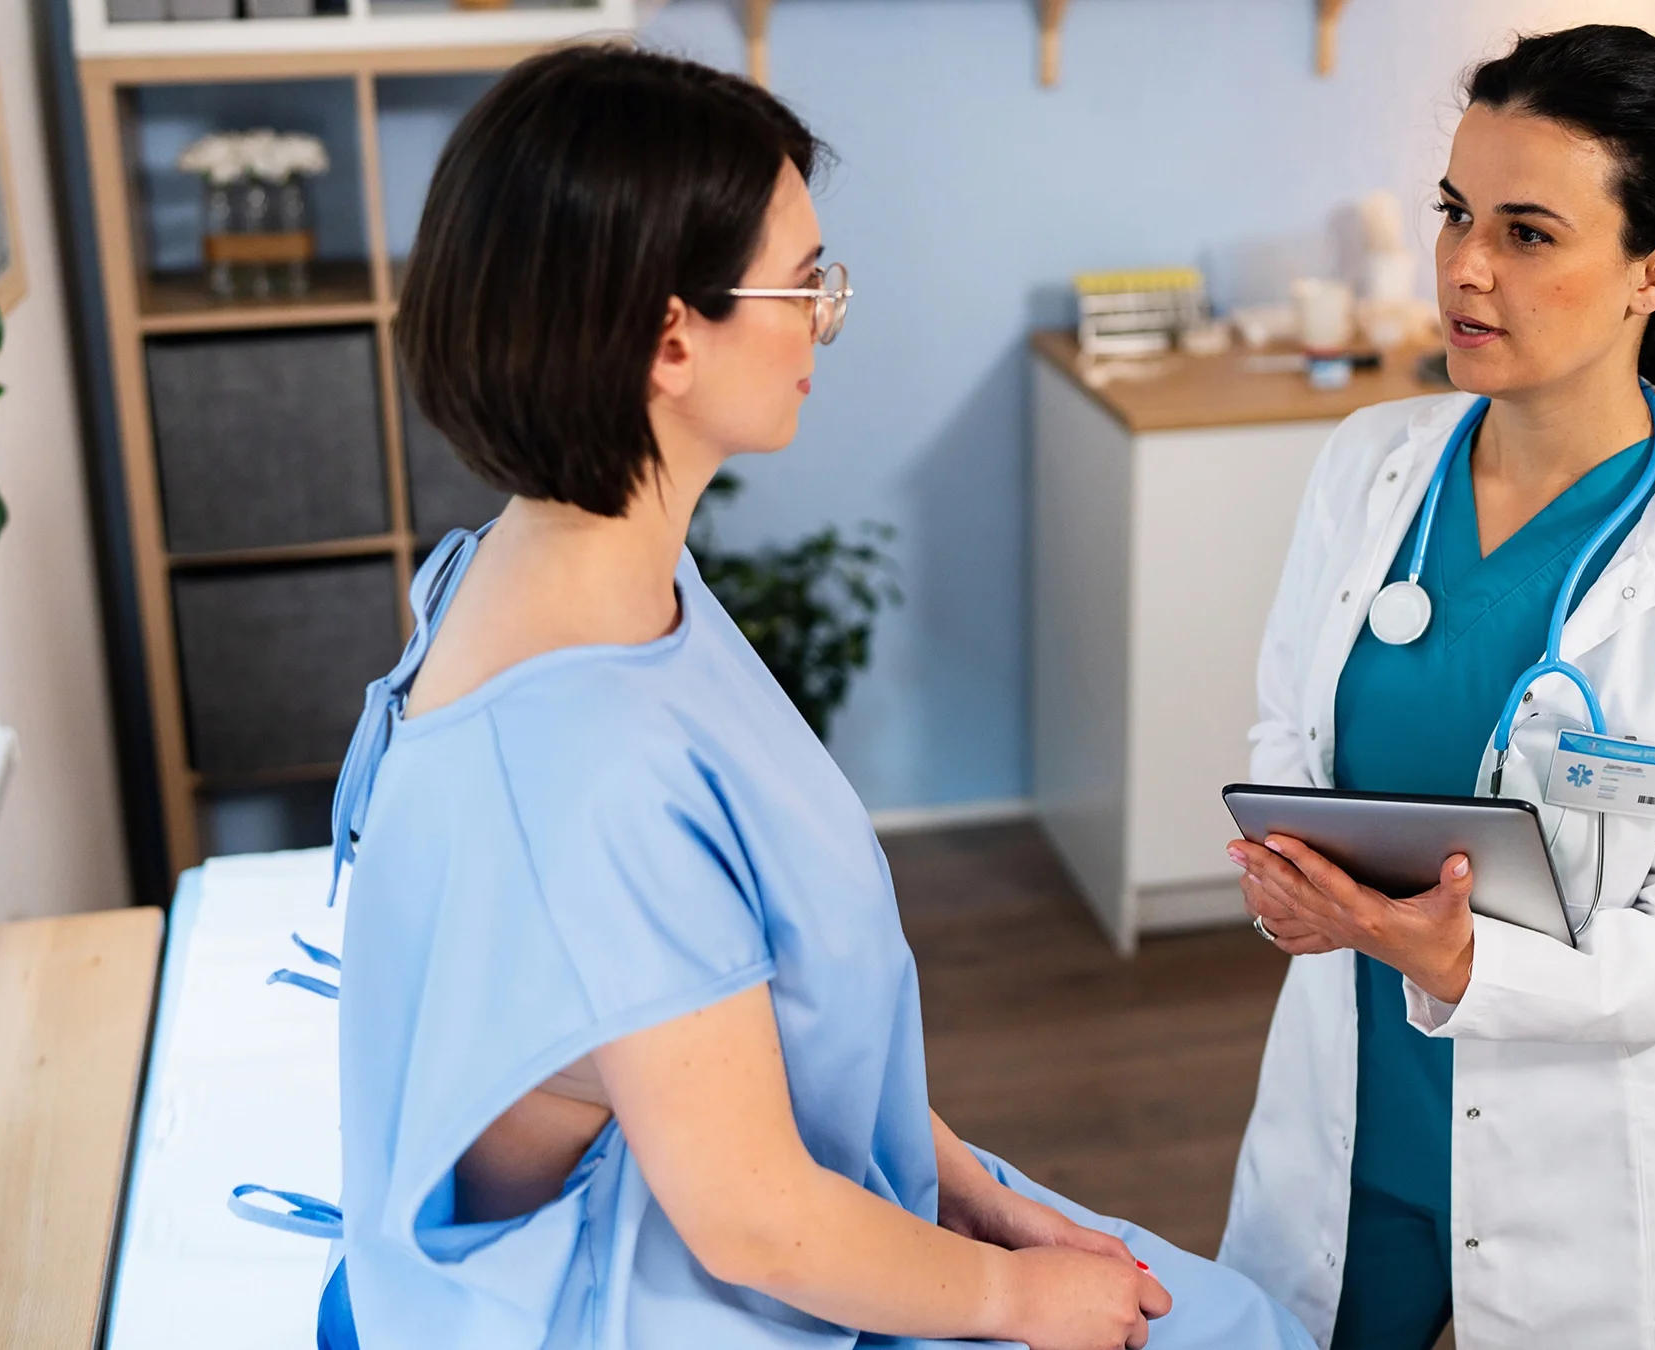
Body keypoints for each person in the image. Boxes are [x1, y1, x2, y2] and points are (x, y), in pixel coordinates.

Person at [317, 43, 1310, 1350]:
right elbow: (752, 1219)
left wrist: (969, 1184)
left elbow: (766, 1032)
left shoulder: (572, 568)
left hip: (743, 1161)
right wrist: (1015, 1293)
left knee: (1220, 1310)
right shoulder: (583, 755)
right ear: (671, 336)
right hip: (655, 1271)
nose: (824, 318)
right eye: (802, 285)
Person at [1216, 25, 1655, 1350]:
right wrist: (1288, 865)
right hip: (1353, 1136)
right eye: (1457, 212)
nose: (1463, 266)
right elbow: (1290, 721)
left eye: (1526, 232)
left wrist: (1464, 961)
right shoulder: (1369, 466)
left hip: (1586, 1184)